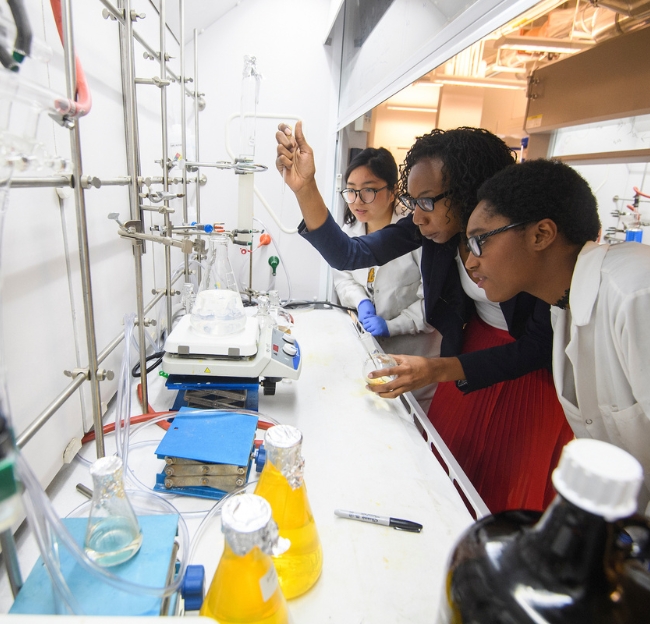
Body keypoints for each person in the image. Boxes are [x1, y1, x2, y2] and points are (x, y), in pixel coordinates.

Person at [276, 122, 573, 513]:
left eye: (427, 201)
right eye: (413, 201)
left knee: (502, 494)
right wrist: (304, 188)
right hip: (463, 357)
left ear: (469, 193)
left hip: (521, 372)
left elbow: (536, 347)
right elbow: (348, 255)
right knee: (447, 481)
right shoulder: (431, 228)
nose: (416, 216)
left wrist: (435, 369)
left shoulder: (522, 248)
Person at [465, 158, 650, 511]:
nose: (471, 262)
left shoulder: (635, 294)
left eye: (479, 242)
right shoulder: (562, 306)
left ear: (541, 235)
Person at [333, 147, 440, 411]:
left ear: (392, 192)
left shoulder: (417, 237)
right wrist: (360, 302)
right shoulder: (350, 230)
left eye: (368, 190)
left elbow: (432, 303)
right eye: (351, 190)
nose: (357, 200)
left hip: (414, 356)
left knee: (411, 428)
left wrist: (392, 326)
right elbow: (343, 277)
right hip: (370, 351)